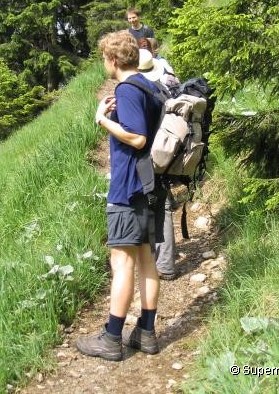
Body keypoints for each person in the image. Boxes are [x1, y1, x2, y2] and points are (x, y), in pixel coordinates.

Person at [75, 30, 165, 361]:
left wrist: (102, 121)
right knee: (145, 260)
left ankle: (112, 338)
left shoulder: (127, 89)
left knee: (122, 261)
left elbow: (138, 138)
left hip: (128, 189)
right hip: (148, 187)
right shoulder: (150, 86)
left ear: (113, 59)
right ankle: (147, 333)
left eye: (103, 58)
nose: (104, 64)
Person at [137, 49, 179, 280]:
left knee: (157, 207)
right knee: (163, 204)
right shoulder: (165, 89)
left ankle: (162, 264)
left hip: (151, 157)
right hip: (167, 155)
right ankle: (165, 262)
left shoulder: (144, 93)